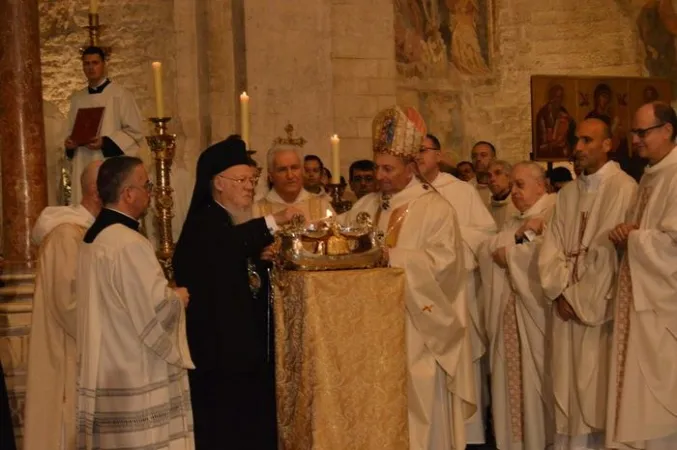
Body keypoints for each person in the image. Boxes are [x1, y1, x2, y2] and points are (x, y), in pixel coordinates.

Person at [342, 106, 476, 449]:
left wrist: (393, 257)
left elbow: (445, 266)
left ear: (410, 167)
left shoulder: (436, 209)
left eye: (389, 169)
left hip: (418, 330)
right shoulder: (366, 207)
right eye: (377, 167)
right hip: (373, 328)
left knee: (419, 413)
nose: (380, 175)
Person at [172, 136, 302, 449]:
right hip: (219, 360)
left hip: (243, 355)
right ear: (218, 183)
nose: (250, 186)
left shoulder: (229, 221)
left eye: (252, 179)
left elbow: (231, 267)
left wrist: (260, 260)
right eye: (242, 179)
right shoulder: (205, 222)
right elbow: (224, 247)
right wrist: (273, 220)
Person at [75, 156, 194, 449]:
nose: (150, 192)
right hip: (135, 370)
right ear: (128, 193)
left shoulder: (94, 238)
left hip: (106, 364)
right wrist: (177, 298)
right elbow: (154, 309)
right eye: (146, 185)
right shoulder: (129, 243)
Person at [539, 118, 637, 450]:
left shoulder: (625, 189)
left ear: (608, 144)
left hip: (600, 314)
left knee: (600, 392)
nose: (576, 148)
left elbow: (613, 258)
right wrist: (559, 292)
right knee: (566, 389)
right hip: (565, 309)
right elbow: (550, 247)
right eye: (576, 141)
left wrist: (578, 300)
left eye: (586, 141)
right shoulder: (566, 193)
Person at [416, 132, 497, 445]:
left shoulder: (461, 191)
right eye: (415, 151)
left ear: (439, 155)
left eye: (424, 150)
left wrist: (450, 237)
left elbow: (486, 234)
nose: (419, 156)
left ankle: (469, 436)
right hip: (421, 297)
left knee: (462, 362)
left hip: (455, 294)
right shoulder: (410, 194)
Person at [606, 102, 677, 450]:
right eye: (634, 132)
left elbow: (673, 246)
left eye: (642, 132)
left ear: (667, 130)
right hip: (637, 305)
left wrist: (633, 236)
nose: (635, 139)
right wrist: (626, 234)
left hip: (663, 310)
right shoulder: (649, 175)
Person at [477, 161, 557, 450]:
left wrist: (511, 254)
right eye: (512, 186)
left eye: (520, 185)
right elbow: (487, 251)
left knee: (539, 391)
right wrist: (515, 240)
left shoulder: (553, 212)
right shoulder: (515, 219)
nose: (514, 192)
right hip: (508, 319)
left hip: (537, 319)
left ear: (541, 185)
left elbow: (545, 259)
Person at [23, 161, 102, 450]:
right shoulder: (66, 235)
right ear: (97, 190)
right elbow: (69, 304)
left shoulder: (86, 232)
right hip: (67, 352)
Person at [64, 46, 143, 205]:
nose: (91, 67)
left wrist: (105, 143)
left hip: (108, 162)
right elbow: (69, 132)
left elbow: (135, 132)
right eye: (86, 64)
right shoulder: (77, 98)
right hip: (83, 162)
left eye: (95, 63)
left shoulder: (120, 95)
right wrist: (70, 145)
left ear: (104, 65)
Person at [253, 135, 333, 220]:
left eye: (294, 168)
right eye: (282, 170)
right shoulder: (256, 211)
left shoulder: (322, 206)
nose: (290, 176)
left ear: (302, 170)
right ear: (271, 175)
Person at [486, 160, 519, 230]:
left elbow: (533, 235)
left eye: (498, 173)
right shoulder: (485, 210)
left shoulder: (519, 206)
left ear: (510, 177)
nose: (492, 179)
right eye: (489, 175)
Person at [470, 141, 496, 208]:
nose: (478, 159)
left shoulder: (501, 187)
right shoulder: (466, 188)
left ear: (493, 159)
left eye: (483, 155)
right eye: (474, 156)